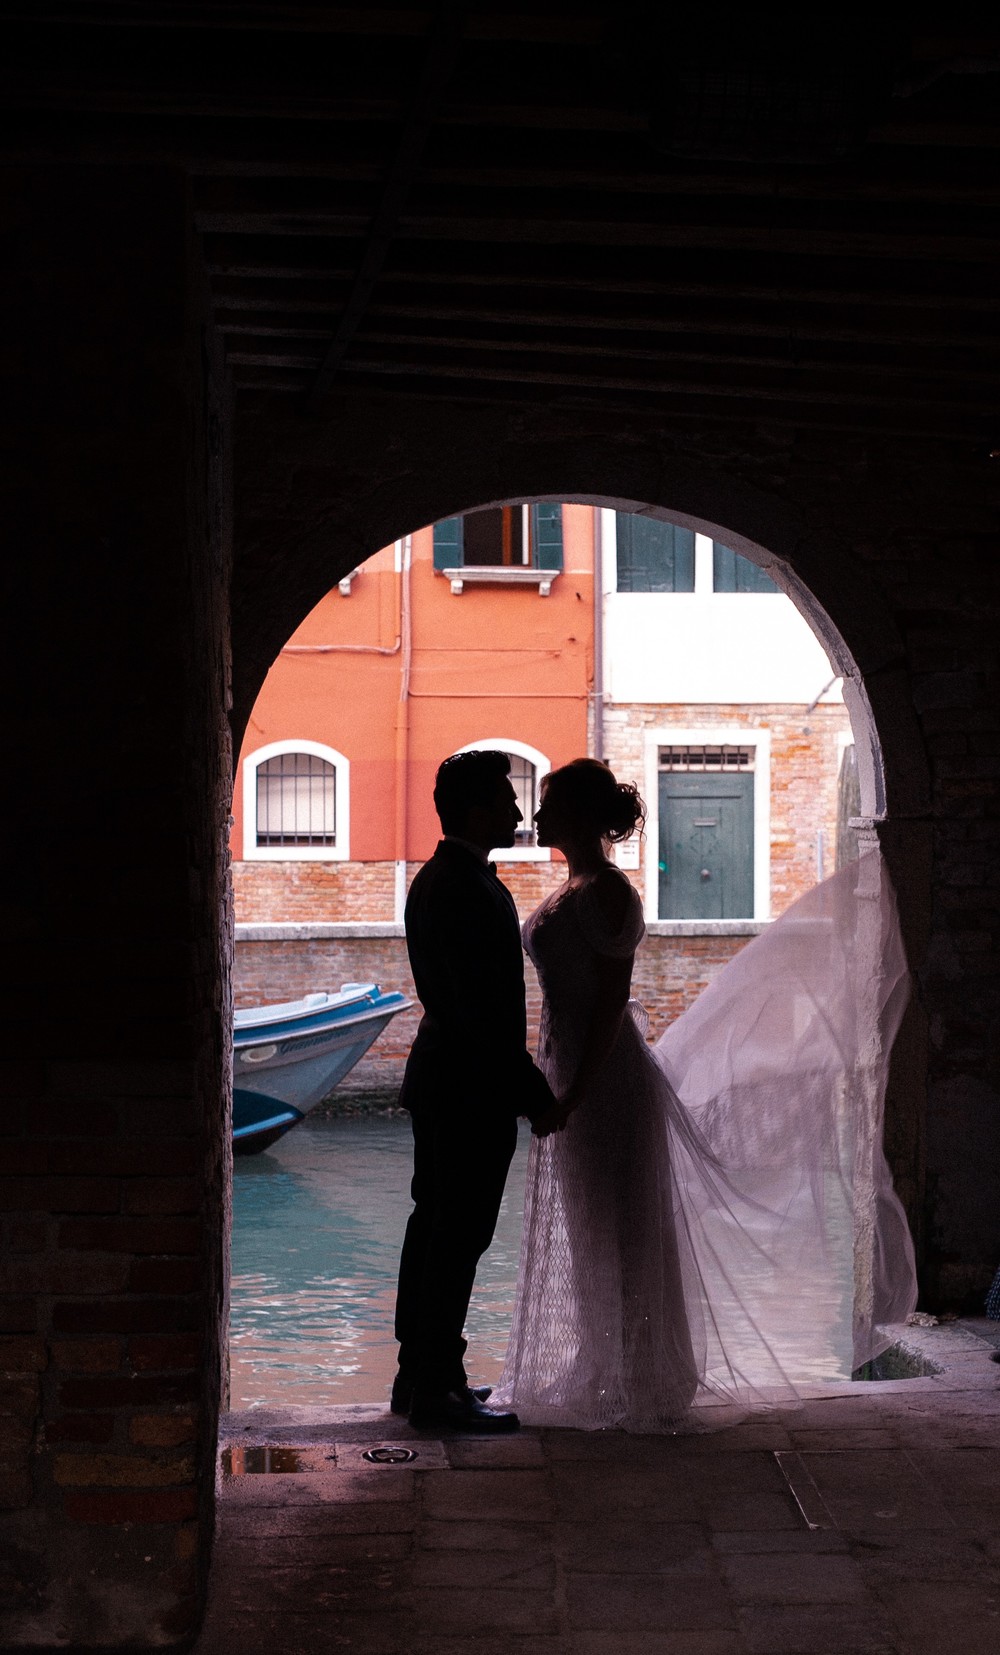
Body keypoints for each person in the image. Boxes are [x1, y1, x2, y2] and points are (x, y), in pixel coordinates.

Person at [495, 758, 918, 1431]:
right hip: (568, 1069)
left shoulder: (606, 891)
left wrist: (573, 1093)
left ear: (576, 814)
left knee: (624, 1227)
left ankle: (645, 1376)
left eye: (547, 804)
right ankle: (604, 1364)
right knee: (589, 1227)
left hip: (601, 1080)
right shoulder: (574, 884)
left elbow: (608, 1005)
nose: (536, 816)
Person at [392, 749, 558, 1433]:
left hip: (445, 1082)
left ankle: (421, 1375)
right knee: (456, 1234)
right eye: (505, 798)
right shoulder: (464, 888)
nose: (519, 811)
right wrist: (533, 1089)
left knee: (433, 1227)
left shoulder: (442, 879)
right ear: (474, 808)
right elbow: (476, 1008)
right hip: (468, 1088)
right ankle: (437, 1386)